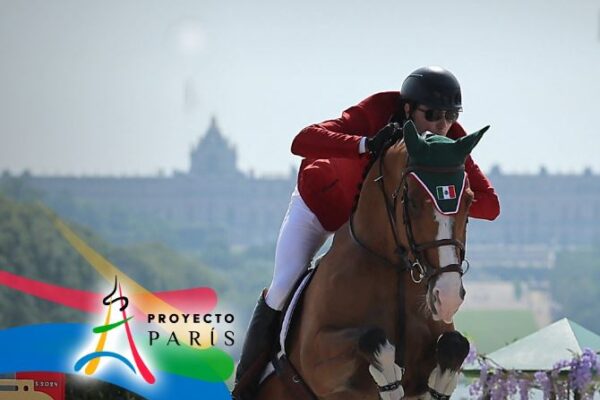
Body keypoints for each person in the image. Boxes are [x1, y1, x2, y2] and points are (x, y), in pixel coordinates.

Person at [232, 66, 500, 398]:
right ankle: (246, 384)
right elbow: (302, 141)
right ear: (407, 110)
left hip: (379, 226)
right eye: (431, 115)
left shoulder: (449, 142)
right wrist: (365, 144)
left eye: (450, 115)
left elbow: (490, 205)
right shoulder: (376, 111)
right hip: (324, 204)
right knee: (283, 283)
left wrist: (440, 196)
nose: (441, 124)